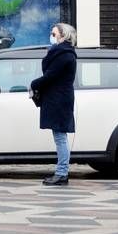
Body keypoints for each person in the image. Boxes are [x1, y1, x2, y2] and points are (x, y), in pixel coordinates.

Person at [30, 22, 77, 186]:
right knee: (59, 136)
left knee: (60, 137)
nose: (52, 36)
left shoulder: (64, 54)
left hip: (59, 100)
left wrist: (34, 83)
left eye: (54, 33)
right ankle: (61, 172)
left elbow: (51, 75)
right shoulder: (61, 52)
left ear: (63, 36)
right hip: (57, 98)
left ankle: (62, 173)